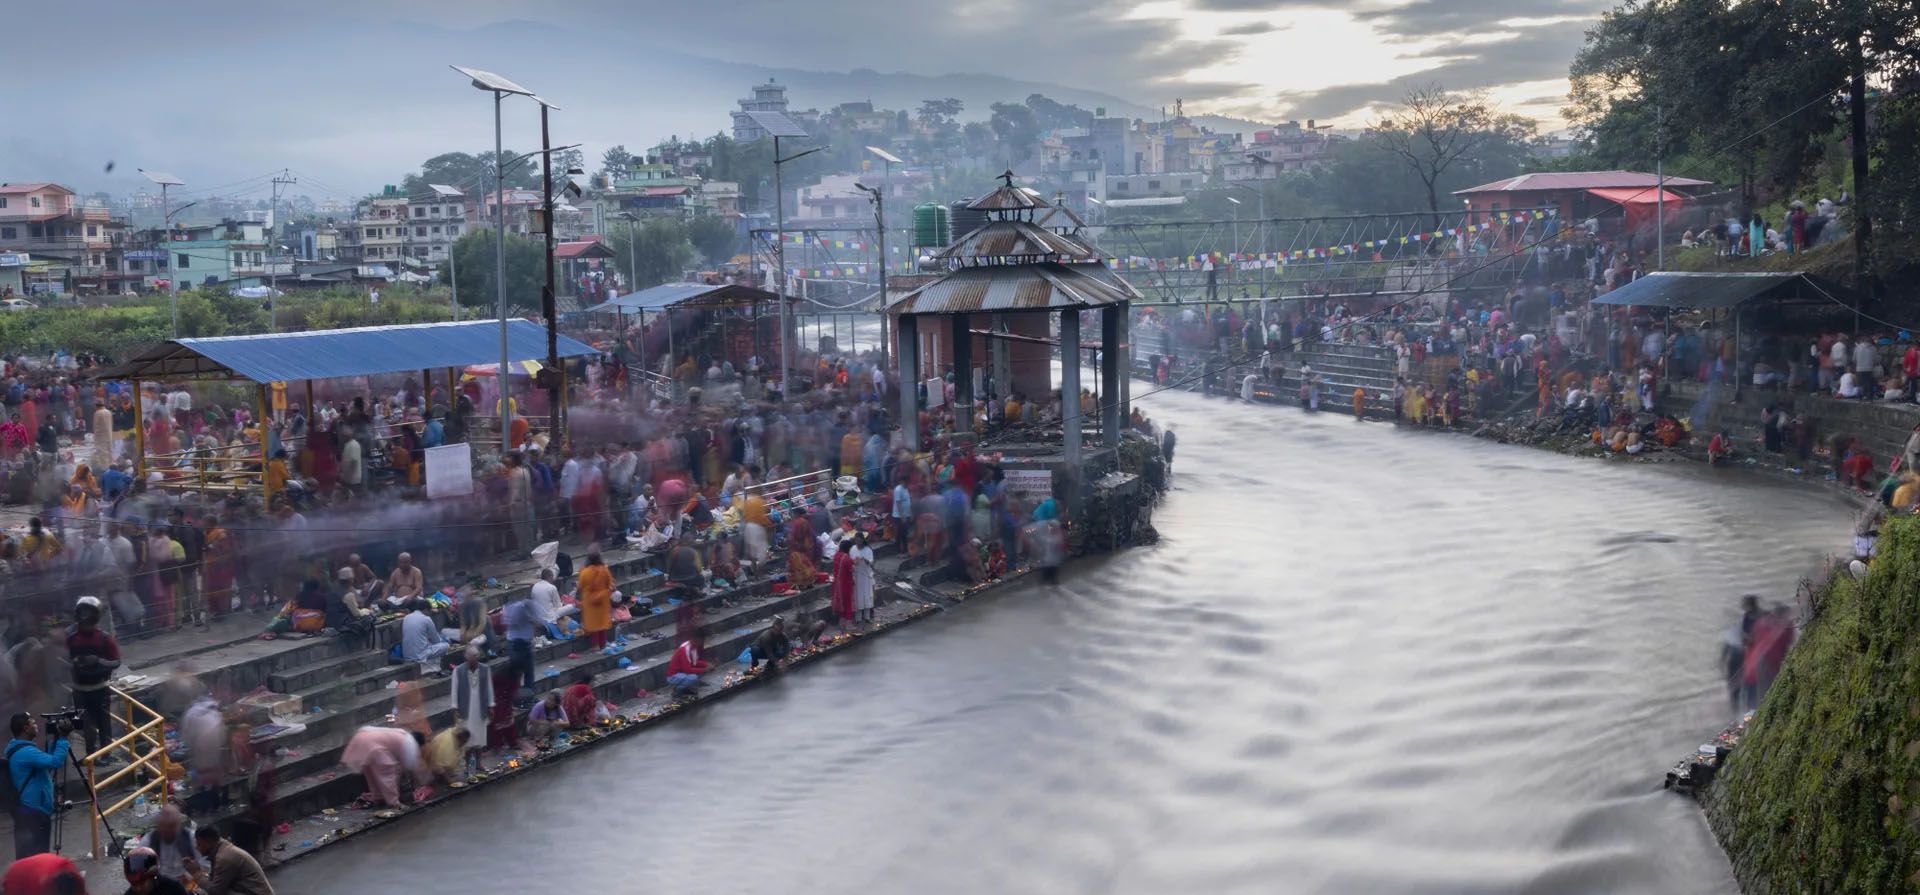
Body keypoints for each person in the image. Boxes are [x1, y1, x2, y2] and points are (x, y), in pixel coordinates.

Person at [7, 712, 69, 859]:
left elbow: (45, 763)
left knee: (28, 855)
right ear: (26, 728)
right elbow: (55, 762)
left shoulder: (18, 749)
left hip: (27, 811)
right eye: (33, 723)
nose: (37, 726)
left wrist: (55, 740)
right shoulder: (27, 752)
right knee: (38, 856)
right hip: (34, 812)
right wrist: (64, 739)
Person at [67, 595, 121, 755]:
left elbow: (116, 662)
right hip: (79, 690)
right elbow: (63, 661)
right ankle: (91, 754)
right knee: (85, 725)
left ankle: (107, 755)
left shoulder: (105, 639)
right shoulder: (71, 640)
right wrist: (74, 663)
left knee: (104, 724)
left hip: (100, 688)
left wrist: (97, 660)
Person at [340, 725, 426, 810]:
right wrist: (419, 782)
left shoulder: (403, 734)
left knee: (371, 773)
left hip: (362, 738)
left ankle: (379, 798)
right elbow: (409, 766)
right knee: (388, 774)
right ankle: (394, 803)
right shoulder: (411, 744)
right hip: (374, 746)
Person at [193, 825, 274, 895]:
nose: (197, 847)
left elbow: (216, 891)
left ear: (208, 842)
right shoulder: (223, 850)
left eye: (199, 844)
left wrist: (197, 874)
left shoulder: (224, 857)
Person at [134, 805, 201, 886]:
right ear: (159, 825)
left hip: (186, 880)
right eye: (165, 826)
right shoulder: (148, 841)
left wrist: (191, 872)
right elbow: (137, 868)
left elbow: (204, 863)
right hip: (160, 882)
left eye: (172, 826)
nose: (168, 830)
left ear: (178, 825)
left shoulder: (191, 838)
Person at [450, 646, 492, 773]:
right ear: (466, 657)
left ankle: (479, 763)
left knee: (480, 738)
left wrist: (490, 705)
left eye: (476, 656)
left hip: (480, 708)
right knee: (467, 740)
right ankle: (469, 765)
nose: (474, 659)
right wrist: (455, 707)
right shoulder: (458, 670)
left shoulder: (485, 669)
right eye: (472, 656)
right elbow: (454, 690)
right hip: (465, 708)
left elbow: (489, 688)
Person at [502, 586, 540, 692]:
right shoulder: (524, 606)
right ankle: (525, 696)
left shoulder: (509, 607)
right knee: (526, 673)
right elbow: (536, 622)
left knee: (521, 673)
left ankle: (521, 696)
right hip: (519, 644)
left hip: (516, 643)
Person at [576, 551, 613, 649]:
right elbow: (611, 584)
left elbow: (580, 587)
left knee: (593, 624)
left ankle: (595, 645)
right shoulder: (604, 570)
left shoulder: (584, 572)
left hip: (590, 601)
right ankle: (603, 645)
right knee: (602, 623)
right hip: (602, 601)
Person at [399, 600, 449, 675]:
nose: (429, 614)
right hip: (420, 655)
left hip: (407, 655)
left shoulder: (406, 617)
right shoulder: (426, 619)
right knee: (445, 645)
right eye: (429, 611)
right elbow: (436, 640)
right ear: (425, 610)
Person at [125, 844, 193, 895]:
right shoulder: (130, 894)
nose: (138, 888)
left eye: (142, 883)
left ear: (152, 878)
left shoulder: (173, 887)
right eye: (134, 884)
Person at [851, 531, 876, 624]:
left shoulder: (868, 550)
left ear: (862, 540)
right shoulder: (853, 549)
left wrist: (865, 560)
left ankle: (867, 617)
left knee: (867, 595)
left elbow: (871, 562)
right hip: (857, 576)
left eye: (859, 540)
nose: (857, 542)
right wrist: (855, 562)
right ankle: (858, 618)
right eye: (856, 540)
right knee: (858, 596)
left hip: (866, 576)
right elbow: (850, 562)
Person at [830, 538, 856, 626]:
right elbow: (852, 569)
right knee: (848, 602)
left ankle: (842, 621)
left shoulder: (836, 555)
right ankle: (848, 622)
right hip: (845, 583)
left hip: (836, 584)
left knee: (841, 602)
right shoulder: (847, 558)